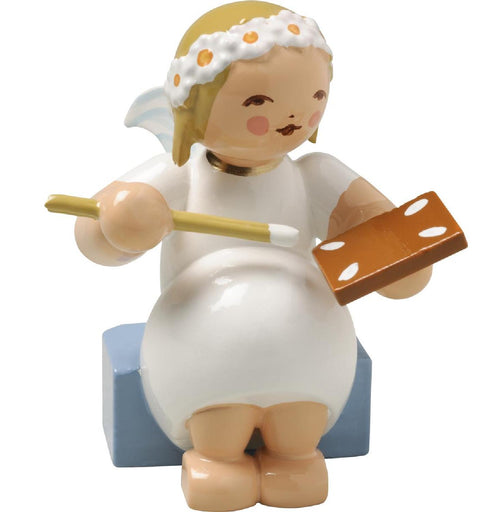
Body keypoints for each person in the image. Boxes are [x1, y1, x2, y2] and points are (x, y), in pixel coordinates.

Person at [75, 2, 431, 510]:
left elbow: (386, 234)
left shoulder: (315, 174)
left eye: (315, 97)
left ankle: (295, 458)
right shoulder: (180, 175)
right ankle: (215, 460)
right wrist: (121, 222)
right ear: (194, 108)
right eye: (259, 101)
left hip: (310, 342)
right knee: (217, 413)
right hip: (199, 341)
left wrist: (401, 260)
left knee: (300, 415)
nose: (294, 117)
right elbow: (94, 237)